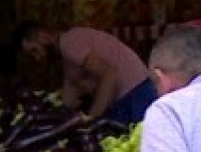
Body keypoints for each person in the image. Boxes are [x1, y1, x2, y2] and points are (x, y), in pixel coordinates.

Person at [14, 21, 157, 126]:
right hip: (131, 93)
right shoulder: (67, 56)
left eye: (35, 51)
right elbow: (70, 96)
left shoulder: (69, 43)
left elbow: (109, 75)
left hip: (135, 95)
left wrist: (92, 119)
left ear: (43, 37)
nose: (38, 58)